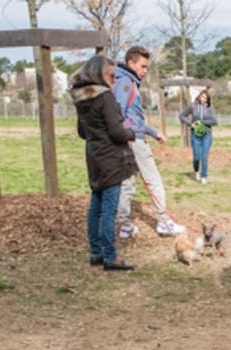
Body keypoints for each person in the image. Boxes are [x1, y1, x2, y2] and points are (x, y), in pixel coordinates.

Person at [71, 55, 137, 271]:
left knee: (96, 207)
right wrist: (131, 133)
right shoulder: (106, 98)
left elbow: (82, 132)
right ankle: (110, 257)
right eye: (111, 76)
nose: (114, 81)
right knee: (109, 210)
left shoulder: (82, 99)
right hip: (111, 159)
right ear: (99, 75)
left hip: (94, 157)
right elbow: (117, 132)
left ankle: (96, 252)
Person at [113, 46, 182, 239]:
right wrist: (127, 136)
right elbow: (120, 114)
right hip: (133, 139)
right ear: (131, 63)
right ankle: (164, 223)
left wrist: (153, 132)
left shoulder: (126, 81)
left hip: (130, 138)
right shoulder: (125, 83)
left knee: (127, 183)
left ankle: (125, 226)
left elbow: (131, 117)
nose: (144, 71)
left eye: (146, 67)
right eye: (142, 67)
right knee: (153, 180)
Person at [179, 87, 217, 184]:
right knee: (196, 156)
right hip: (195, 134)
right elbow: (182, 115)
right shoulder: (193, 106)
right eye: (202, 97)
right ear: (199, 97)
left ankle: (203, 176)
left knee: (204, 156)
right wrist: (189, 124)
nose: (204, 99)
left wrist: (202, 122)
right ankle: (197, 171)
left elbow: (214, 121)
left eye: (206, 98)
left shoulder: (209, 107)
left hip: (207, 135)